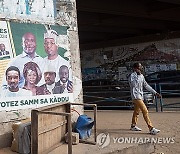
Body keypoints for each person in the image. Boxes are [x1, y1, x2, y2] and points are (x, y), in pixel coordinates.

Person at [129, 62, 161, 135]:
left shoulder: (142, 76)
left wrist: (155, 92)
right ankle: (151, 128)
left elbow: (146, 85)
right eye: (139, 67)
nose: (141, 68)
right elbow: (133, 85)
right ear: (135, 68)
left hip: (140, 96)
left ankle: (133, 125)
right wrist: (137, 75)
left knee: (136, 111)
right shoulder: (132, 76)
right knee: (145, 111)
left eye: (141, 67)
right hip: (135, 96)